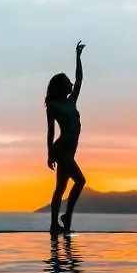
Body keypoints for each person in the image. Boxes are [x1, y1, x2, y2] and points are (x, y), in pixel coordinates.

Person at [45, 41, 86, 234]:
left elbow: (79, 80)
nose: (71, 83)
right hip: (61, 150)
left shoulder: (71, 101)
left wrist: (78, 57)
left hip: (69, 151)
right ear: (61, 86)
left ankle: (55, 225)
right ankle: (66, 216)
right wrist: (49, 154)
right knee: (80, 180)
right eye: (67, 82)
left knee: (60, 188)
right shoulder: (54, 105)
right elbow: (51, 132)